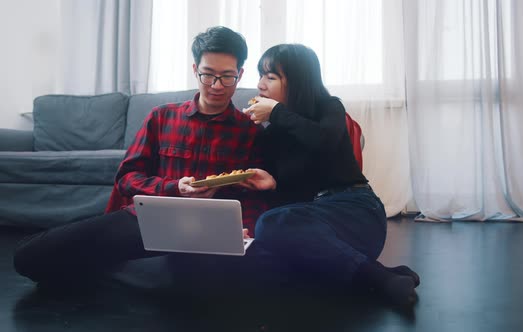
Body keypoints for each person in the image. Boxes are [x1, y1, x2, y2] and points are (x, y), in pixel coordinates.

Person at [13, 26, 266, 285]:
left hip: (210, 231)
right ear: (194, 70)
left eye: (227, 77)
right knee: (28, 257)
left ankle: (128, 269)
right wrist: (174, 187)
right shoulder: (161, 116)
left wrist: (244, 228)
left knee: (217, 284)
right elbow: (127, 178)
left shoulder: (250, 130)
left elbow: (257, 195)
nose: (216, 86)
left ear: (240, 74)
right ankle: (124, 268)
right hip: (150, 221)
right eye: (208, 75)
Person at [241, 44, 420, 306]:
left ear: (298, 80)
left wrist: (277, 113)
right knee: (268, 241)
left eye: (270, 77)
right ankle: (380, 273)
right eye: (260, 76)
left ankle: (382, 281)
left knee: (273, 230)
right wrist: (274, 184)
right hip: (320, 230)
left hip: (357, 213)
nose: (260, 85)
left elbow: (324, 141)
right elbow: (293, 206)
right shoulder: (271, 136)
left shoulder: (328, 108)